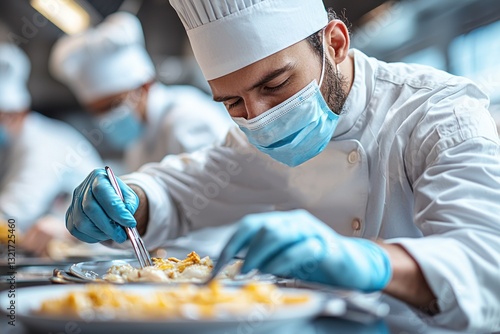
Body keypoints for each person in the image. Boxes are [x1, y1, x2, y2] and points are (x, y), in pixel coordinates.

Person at [64, 0, 500, 331]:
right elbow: (184, 190)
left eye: (275, 84)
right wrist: (130, 199)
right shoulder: (250, 138)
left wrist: (370, 261)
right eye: (233, 102)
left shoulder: (438, 114)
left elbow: (487, 268)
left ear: (334, 44)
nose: (258, 117)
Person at [49, 11, 233, 173]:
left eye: (113, 105)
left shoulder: (187, 120)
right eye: (98, 111)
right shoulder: (139, 140)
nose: (106, 120)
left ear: (144, 86)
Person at [0, 42, 103, 255]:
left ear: (13, 114)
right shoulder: (12, 144)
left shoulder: (44, 145)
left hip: (90, 251)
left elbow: (12, 215)